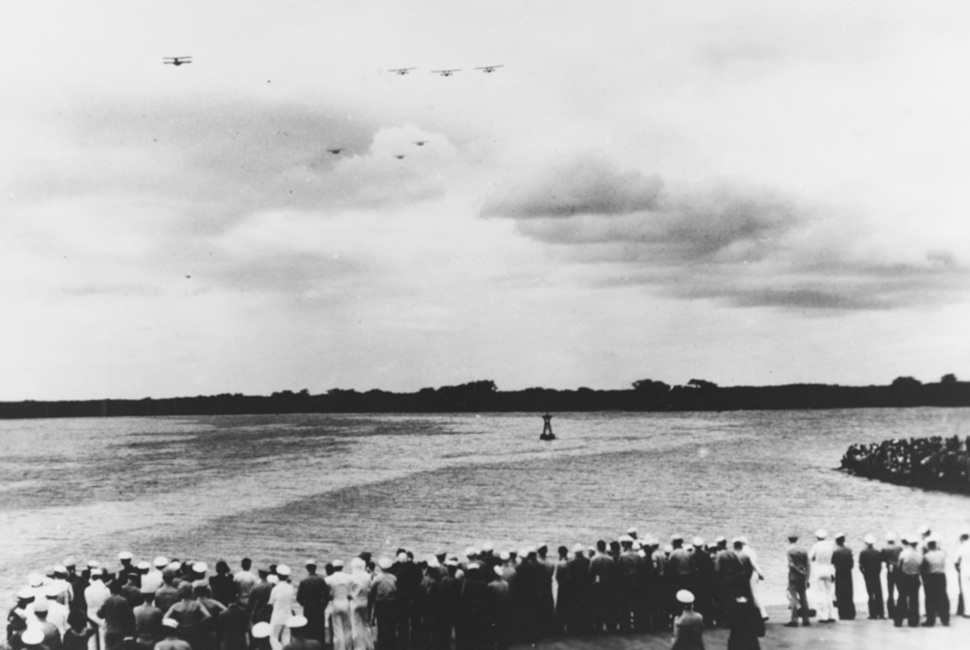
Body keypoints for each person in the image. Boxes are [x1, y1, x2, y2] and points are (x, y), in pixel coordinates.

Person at [920, 537, 949, 627]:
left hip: (930, 577)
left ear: (928, 546)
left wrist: (924, 580)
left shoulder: (926, 556)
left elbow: (923, 569)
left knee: (929, 599)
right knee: (943, 597)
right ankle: (945, 619)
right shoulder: (942, 554)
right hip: (941, 576)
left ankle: (930, 620)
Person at [808, 530, 836, 624]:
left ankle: (823, 616)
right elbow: (833, 558)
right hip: (829, 569)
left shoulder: (816, 546)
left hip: (819, 570)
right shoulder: (831, 546)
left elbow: (810, 558)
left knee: (821, 593)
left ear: (817, 537)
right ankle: (831, 615)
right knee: (828, 593)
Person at [894, 537, 921, 628]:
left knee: (901, 599)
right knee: (914, 600)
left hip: (905, 577)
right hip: (915, 578)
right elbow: (922, 567)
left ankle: (898, 620)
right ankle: (913, 621)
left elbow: (898, 565)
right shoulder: (919, 555)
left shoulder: (904, 553)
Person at [784, 534, 810, 627]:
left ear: (789, 540)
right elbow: (808, 564)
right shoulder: (803, 550)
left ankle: (794, 620)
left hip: (794, 576)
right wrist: (807, 577)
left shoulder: (789, 550)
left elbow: (791, 564)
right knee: (804, 598)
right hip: (803, 576)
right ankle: (806, 619)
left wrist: (798, 571)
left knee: (794, 598)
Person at [325, 561, 352, 650]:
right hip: (345, 602)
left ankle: (339, 648)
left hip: (336, 603)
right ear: (342, 567)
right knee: (347, 628)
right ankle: (349, 647)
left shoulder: (330, 578)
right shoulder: (348, 577)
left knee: (337, 630)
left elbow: (327, 591)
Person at [348, 558, 374, 650]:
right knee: (366, 624)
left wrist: (352, 595)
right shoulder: (367, 576)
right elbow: (370, 588)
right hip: (365, 601)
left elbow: (349, 590)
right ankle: (370, 645)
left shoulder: (352, 576)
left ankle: (358, 647)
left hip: (355, 602)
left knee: (355, 624)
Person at [269, 566, 296, 650]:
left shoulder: (275, 589)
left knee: (273, 637)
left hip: (277, 616)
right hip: (288, 615)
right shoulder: (291, 588)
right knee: (286, 639)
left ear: (278, 575)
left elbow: (271, 602)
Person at [858, 535, 884, 619]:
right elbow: (880, 565)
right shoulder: (877, 552)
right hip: (876, 574)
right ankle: (881, 613)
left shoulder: (863, 552)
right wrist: (878, 572)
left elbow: (861, 566)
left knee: (870, 594)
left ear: (866, 543)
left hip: (868, 574)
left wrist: (864, 573)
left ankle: (873, 614)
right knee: (878, 593)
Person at [832, 533, 855, 620]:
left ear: (836, 541)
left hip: (839, 572)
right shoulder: (849, 550)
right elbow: (852, 563)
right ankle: (851, 613)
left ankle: (843, 614)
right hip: (848, 572)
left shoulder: (835, 551)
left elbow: (832, 562)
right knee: (849, 592)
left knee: (840, 593)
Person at [881, 533, 902, 619]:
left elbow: (882, 559)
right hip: (898, 569)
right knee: (901, 590)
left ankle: (891, 612)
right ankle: (901, 610)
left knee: (890, 592)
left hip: (890, 569)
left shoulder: (884, 548)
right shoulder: (899, 548)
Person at [956, 532, 970, 618]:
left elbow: (956, 561)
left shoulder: (961, 548)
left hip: (965, 571)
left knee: (966, 592)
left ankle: (968, 612)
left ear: (961, 538)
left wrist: (958, 571)